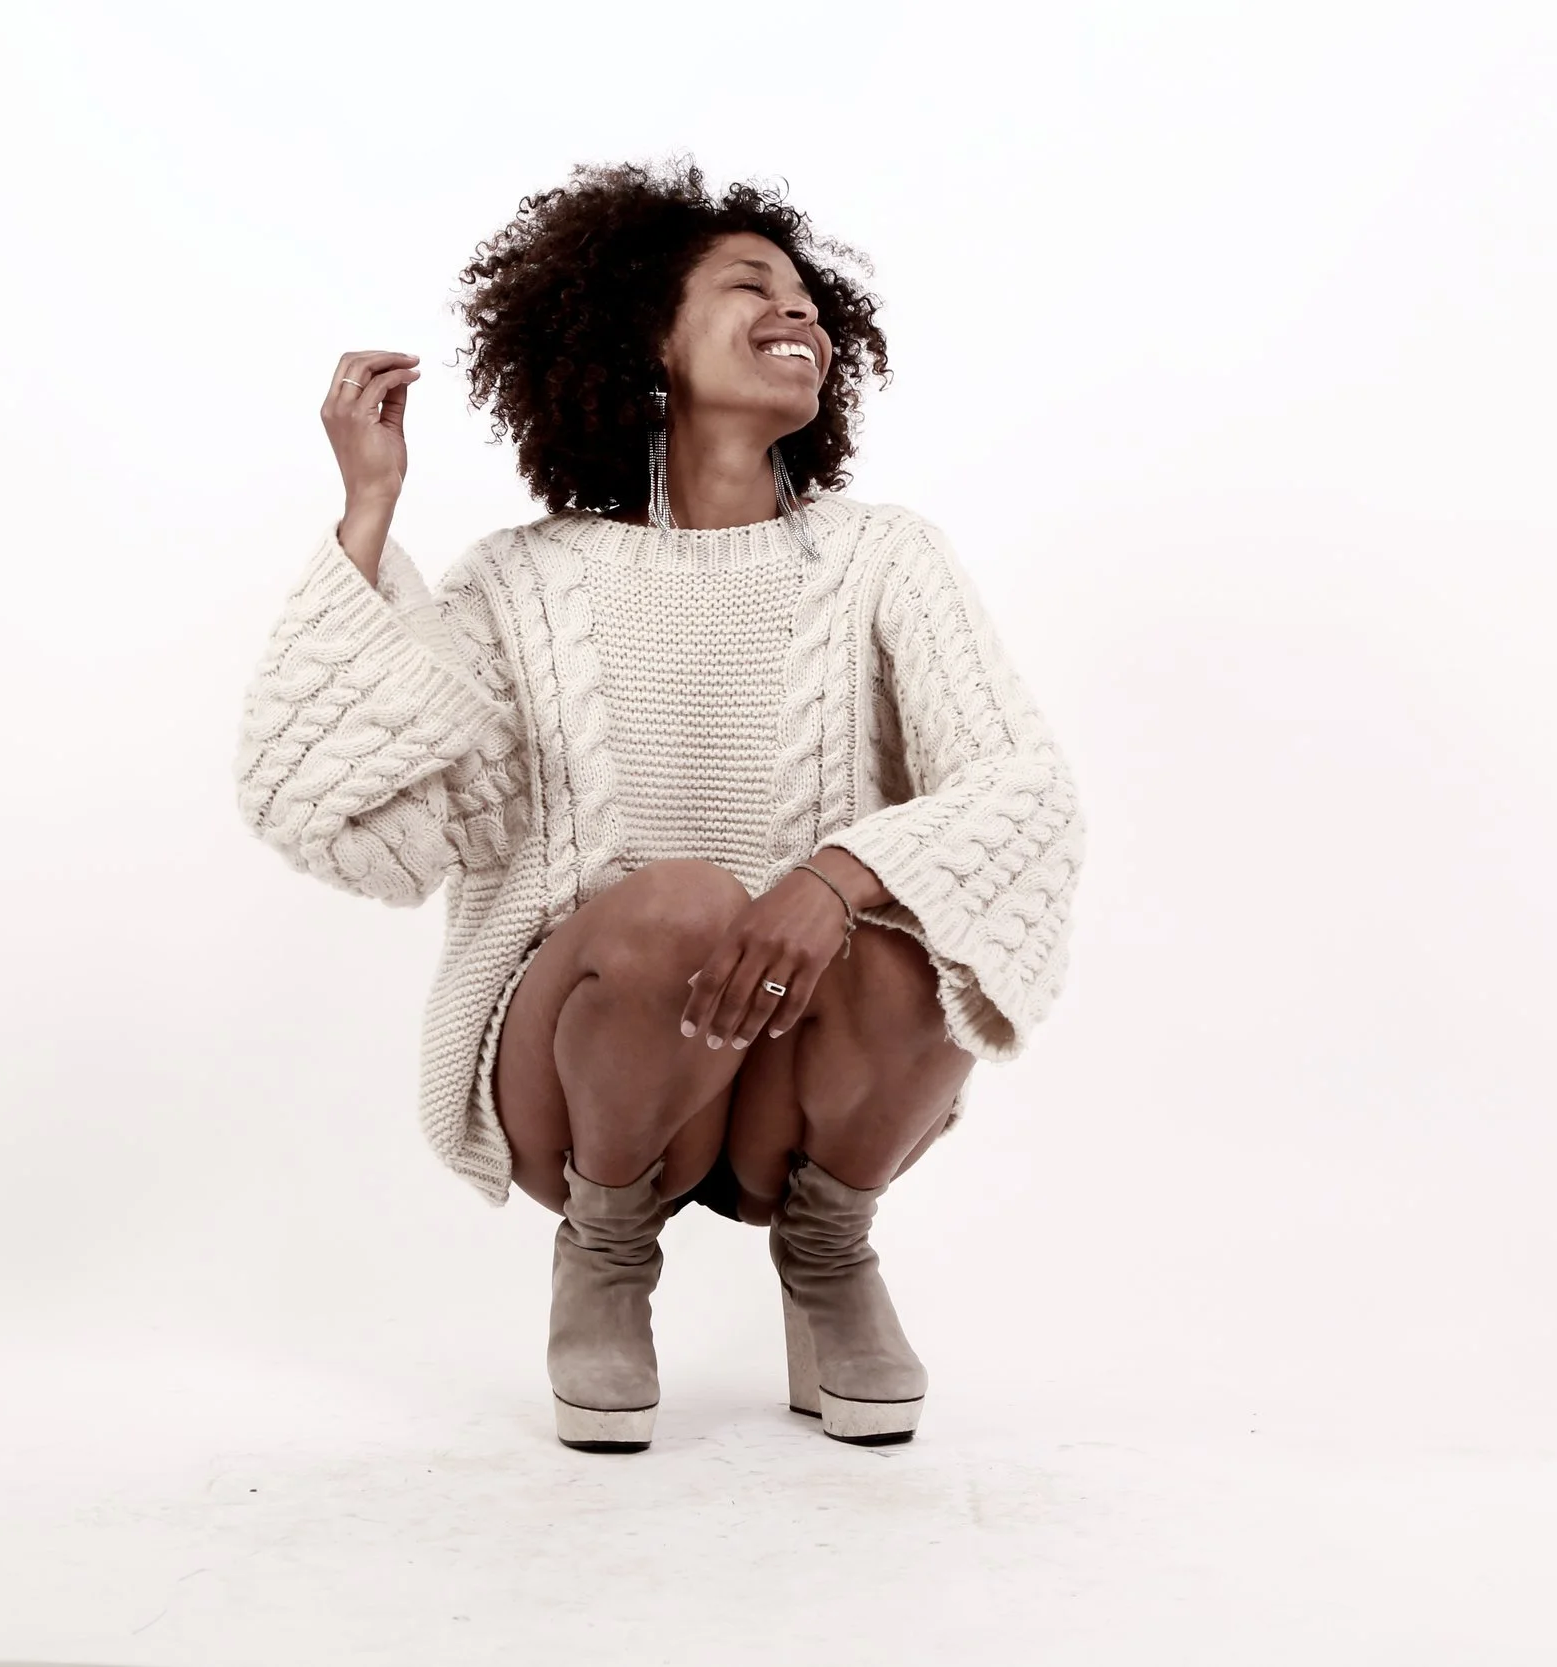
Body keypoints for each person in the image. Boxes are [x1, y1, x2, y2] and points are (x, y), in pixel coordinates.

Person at [232, 158, 1085, 1452]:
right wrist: (367, 510)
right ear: (649, 339)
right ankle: (607, 1251)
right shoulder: (527, 580)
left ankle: (829, 1251)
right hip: (587, 1087)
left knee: (930, 938)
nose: (799, 312)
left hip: (796, 1100)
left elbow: (1025, 794)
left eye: (810, 299)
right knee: (684, 900)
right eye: (754, 286)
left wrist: (835, 877)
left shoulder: (885, 556)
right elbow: (335, 808)